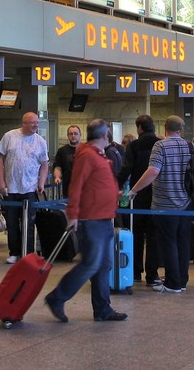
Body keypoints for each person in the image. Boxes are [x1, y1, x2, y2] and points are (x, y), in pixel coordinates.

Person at [43, 119, 128, 323]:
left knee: (104, 265)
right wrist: (73, 214)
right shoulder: (87, 155)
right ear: (105, 135)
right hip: (91, 220)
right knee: (90, 264)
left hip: (105, 218)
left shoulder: (99, 155)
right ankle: (57, 297)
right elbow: (76, 185)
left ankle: (102, 309)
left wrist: (114, 194)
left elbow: (94, 185)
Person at [130, 114, 192, 293]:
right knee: (182, 242)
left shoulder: (160, 146)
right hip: (185, 202)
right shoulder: (189, 146)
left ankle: (172, 283)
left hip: (164, 203)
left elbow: (153, 171)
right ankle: (182, 280)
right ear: (180, 129)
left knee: (168, 242)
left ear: (165, 127)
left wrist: (134, 189)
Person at [0, 112, 49, 264]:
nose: (35, 125)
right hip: (11, 187)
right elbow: (0, 158)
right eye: (32, 123)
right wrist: (1, 181)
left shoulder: (40, 141)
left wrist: (41, 183)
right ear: (24, 123)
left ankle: (28, 252)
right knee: (12, 222)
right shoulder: (9, 136)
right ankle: (14, 252)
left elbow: (44, 164)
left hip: (30, 188)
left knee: (29, 223)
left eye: (37, 123)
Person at [118, 114, 161, 287]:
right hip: (157, 195)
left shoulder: (134, 145)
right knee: (153, 236)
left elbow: (126, 168)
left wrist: (117, 185)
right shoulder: (160, 143)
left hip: (138, 195)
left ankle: (135, 272)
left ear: (139, 128)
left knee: (136, 235)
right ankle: (152, 274)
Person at [53, 125, 82, 197]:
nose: (73, 136)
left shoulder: (87, 150)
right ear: (68, 136)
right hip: (68, 187)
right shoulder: (62, 151)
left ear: (80, 135)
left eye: (75, 133)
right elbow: (58, 167)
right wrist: (57, 177)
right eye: (71, 134)